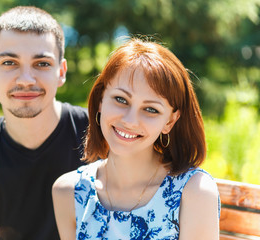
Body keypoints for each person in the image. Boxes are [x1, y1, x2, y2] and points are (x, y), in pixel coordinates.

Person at [52, 37, 220, 240]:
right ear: (100, 101)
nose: (130, 121)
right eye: (121, 99)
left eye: (150, 109)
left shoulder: (194, 193)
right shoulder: (70, 192)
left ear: (170, 121)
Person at [0, 6, 88, 240]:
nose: (26, 80)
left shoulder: (99, 133)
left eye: (42, 63)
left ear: (61, 71)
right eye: (9, 63)